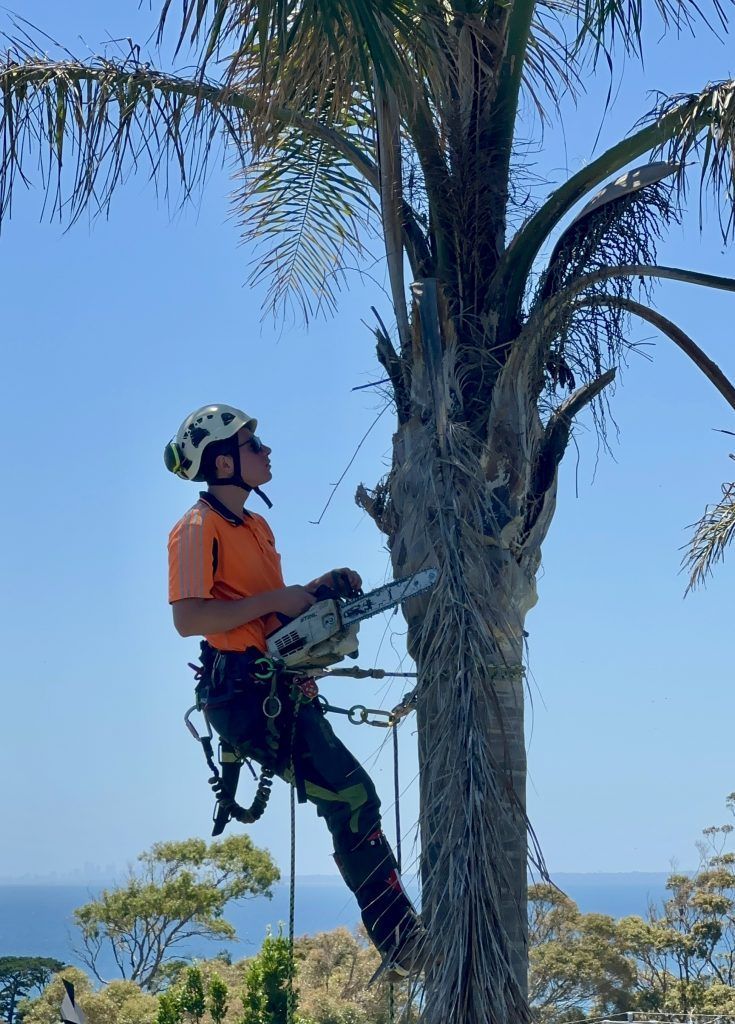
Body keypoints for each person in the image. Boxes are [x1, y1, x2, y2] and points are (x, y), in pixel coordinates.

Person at [164, 404, 424, 979]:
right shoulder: (195, 528)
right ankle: (404, 945)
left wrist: (311, 590)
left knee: (354, 796)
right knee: (351, 796)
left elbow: (261, 610)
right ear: (224, 460)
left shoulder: (255, 526)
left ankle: (405, 940)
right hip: (242, 694)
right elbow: (189, 618)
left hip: (276, 686)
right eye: (254, 446)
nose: (266, 452)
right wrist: (279, 602)